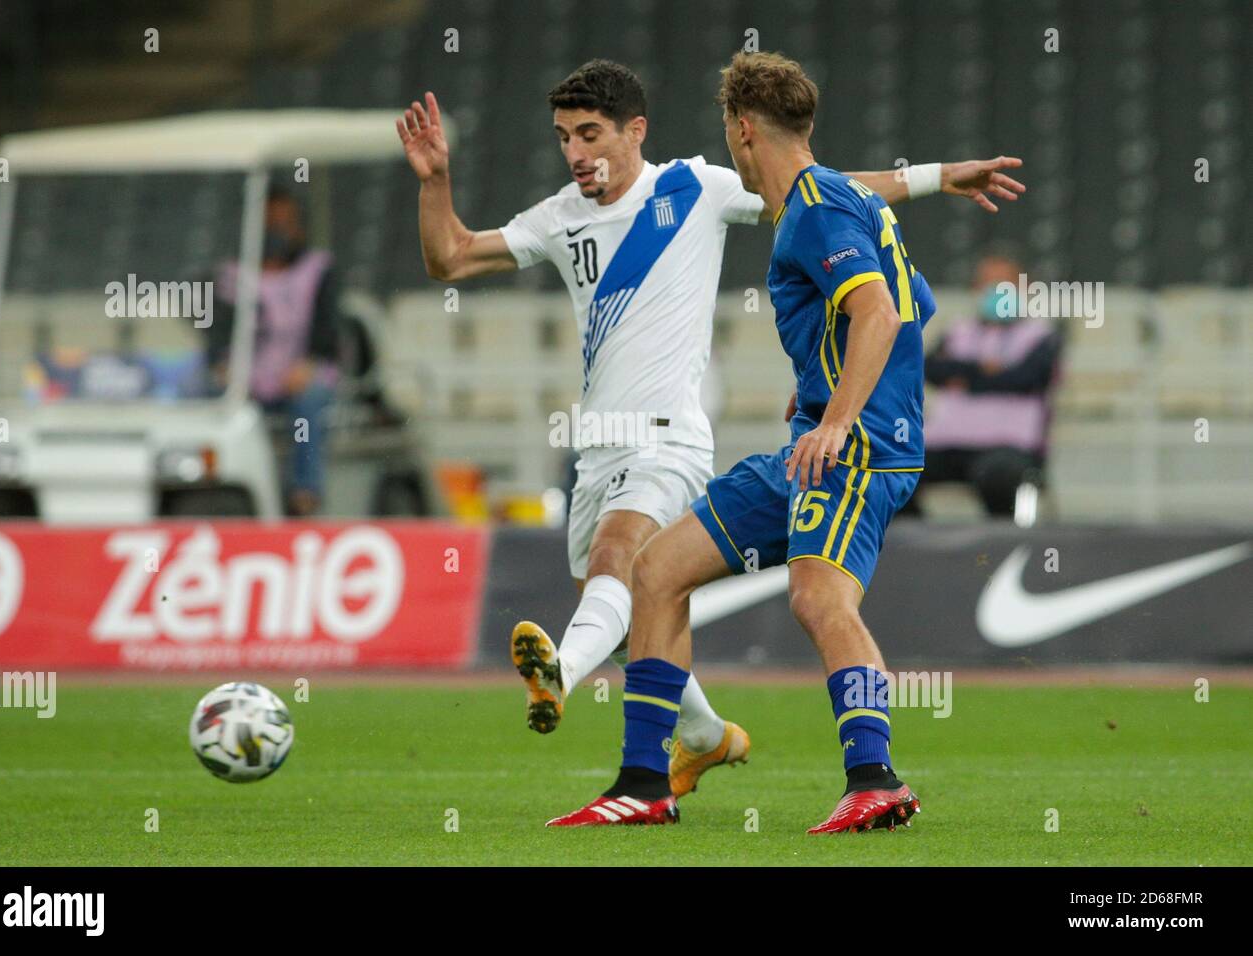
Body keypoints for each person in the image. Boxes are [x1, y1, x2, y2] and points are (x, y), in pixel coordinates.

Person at [396, 59, 1024, 801]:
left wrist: (935, 176)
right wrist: (435, 180)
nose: (576, 153)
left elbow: (817, 188)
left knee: (628, 561)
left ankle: (564, 677)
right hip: (598, 447)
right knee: (640, 598)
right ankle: (702, 735)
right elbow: (451, 257)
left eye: (590, 134)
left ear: (636, 132)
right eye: (564, 137)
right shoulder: (560, 216)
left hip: (671, 438)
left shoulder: (695, 188)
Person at [209, 187, 341, 516]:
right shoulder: (232, 276)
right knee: (199, 391)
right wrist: (222, 366)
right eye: (270, 222)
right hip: (249, 378)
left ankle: (305, 491)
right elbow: (218, 335)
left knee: (308, 401)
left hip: (302, 373)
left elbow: (327, 331)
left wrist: (307, 364)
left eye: (284, 222)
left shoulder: (317, 269)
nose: (277, 231)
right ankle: (217, 487)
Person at [901, 248, 1062, 518]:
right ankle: (920, 546)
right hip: (947, 441)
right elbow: (930, 369)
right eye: (989, 283)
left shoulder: (1042, 333)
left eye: (1005, 283)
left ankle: (999, 548)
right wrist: (986, 371)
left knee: (998, 476)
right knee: (893, 470)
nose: (996, 291)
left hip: (1009, 446)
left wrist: (965, 377)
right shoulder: (959, 330)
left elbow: (1026, 378)